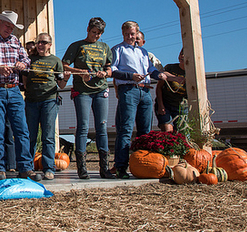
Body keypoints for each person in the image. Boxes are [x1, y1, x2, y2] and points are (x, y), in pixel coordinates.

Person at [0, 10, 41, 182]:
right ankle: (0, 168)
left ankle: (25, 167)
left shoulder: (16, 41)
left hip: (14, 90)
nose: (10, 30)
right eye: (7, 26)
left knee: (22, 129)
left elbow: (27, 61)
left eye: (12, 27)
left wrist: (21, 64)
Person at [111, 21, 167, 179]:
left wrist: (159, 75)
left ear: (137, 34)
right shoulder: (118, 49)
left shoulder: (143, 52)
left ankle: (144, 165)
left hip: (145, 91)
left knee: (146, 131)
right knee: (126, 129)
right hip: (128, 89)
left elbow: (151, 69)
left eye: (133, 34)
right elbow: (113, 70)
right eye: (127, 34)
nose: (130, 37)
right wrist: (130, 76)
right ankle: (121, 167)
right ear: (123, 34)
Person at [62, 17, 114, 180]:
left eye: (99, 33)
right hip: (82, 91)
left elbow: (109, 68)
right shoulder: (77, 46)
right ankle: (81, 168)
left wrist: (105, 73)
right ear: (88, 29)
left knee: (102, 127)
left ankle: (104, 167)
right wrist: (80, 71)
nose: (96, 36)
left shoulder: (105, 47)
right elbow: (64, 65)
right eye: (94, 32)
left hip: (101, 89)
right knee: (83, 126)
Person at [24, 33, 65, 180]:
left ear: (50, 45)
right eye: (38, 42)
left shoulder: (55, 61)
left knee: (48, 135)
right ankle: (28, 168)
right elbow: (24, 78)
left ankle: (49, 168)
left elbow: (61, 84)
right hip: (31, 101)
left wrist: (67, 76)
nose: (40, 45)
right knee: (30, 135)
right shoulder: (30, 60)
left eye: (44, 42)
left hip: (49, 100)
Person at [155, 49, 188, 132]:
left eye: (185, 54)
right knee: (167, 129)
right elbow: (159, 87)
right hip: (166, 103)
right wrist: (160, 105)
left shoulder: (192, 73)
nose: (182, 56)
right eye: (181, 54)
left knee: (182, 131)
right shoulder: (170, 68)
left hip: (181, 107)